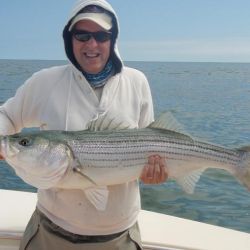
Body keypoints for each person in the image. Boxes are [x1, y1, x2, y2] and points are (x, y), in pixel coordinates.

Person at [0, 0, 168, 249]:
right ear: (70, 39)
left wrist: (156, 172)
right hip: (50, 233)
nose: (92, 44)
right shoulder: (45, 81)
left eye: (101, 35)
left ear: (113, 39)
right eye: (82, 35)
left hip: (119, 238)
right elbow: (7, 116)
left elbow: (150, 141)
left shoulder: (137, 82)